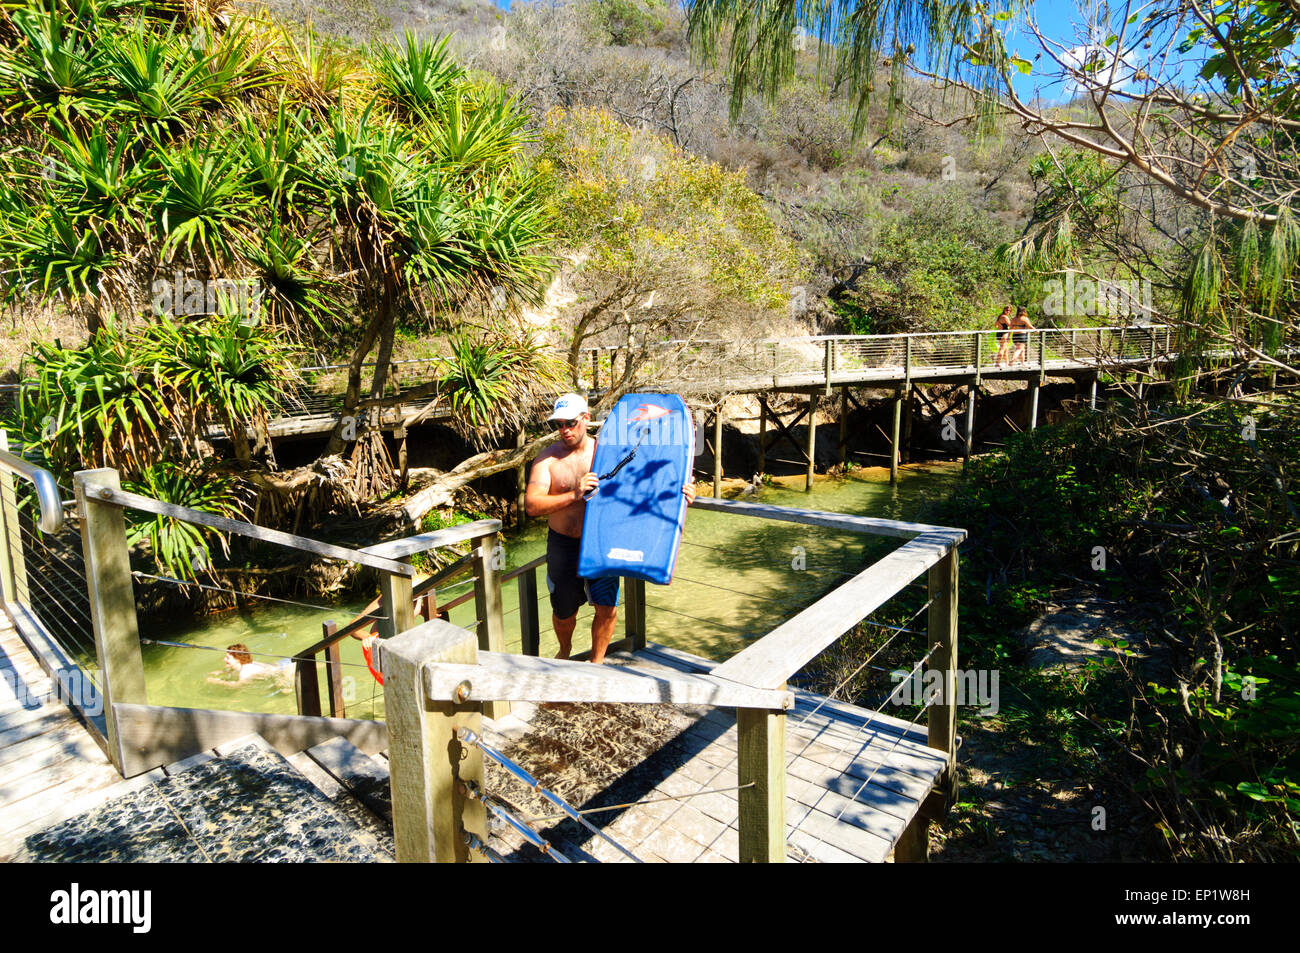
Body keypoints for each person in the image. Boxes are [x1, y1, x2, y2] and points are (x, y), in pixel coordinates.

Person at [525, 393, 695, 664]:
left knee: (607, 608)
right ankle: (565, 651)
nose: (565, 430)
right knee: (564, 612)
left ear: (586, 419)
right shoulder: (547, 461)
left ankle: (597, 663)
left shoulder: (611, 452)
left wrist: (680, 495)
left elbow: (646, 482)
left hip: (603, 538)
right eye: (558, 424)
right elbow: (532, 506)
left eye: (571, 422)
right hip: (564, 544)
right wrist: (575, 494)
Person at [207, 643, 293, 691]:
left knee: (284, 690)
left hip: (286, 668)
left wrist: (217, 682)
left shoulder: (245, 672)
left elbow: (237, 685)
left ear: (238, 659)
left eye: (228, 658)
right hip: (282, 663)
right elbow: (234, 670)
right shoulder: (244, 665)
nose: (224, 659)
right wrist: (222, 672)